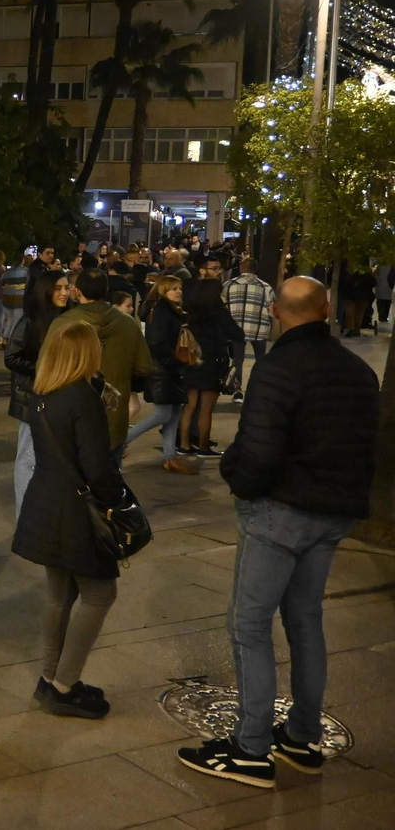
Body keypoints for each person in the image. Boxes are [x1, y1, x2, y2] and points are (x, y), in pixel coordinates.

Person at [178, 276, 380, 788]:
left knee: (249, 625)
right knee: (305, 621)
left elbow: (258, 448)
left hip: (281, 510)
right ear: (327, 308)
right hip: (332, 512)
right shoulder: (357, 371)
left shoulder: (277, 368)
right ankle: (303, 737)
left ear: (274, 311)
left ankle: (250, 749)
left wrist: (236, 479)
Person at [11, 320, 124, 720]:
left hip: (45, 502)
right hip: (76, 511)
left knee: (59, 595)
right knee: (99, 594)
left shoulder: (42, 393)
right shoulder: (81, 398)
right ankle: (64, 684)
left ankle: (51, 678)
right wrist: (121, 504)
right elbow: (97, 466)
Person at [55, 268, 153, 458]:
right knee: (111, 478)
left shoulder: (63, 324)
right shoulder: (128, 324)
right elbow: (144, 366)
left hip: (72, 414)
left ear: (78, 291)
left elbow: (47, 366)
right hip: (113, 414)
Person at [6, 271, 72, 511]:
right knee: (28, 458)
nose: (64, 293)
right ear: (45, 290)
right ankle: (24, 515)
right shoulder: (31, 320)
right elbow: (11, 357)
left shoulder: (69, 318)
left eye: (67, 287)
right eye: (58, 288)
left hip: (60, 398)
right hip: (32, 397)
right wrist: (45, 368)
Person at [124, 276, 196, 475]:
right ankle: (120, 442)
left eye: (180, 288)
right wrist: (173, 362)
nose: (179, 292)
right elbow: (156, 342)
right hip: (162, 370)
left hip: (168, 369)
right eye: (173, 289)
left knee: (174, 413)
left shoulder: (168, 309)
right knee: (163, 413)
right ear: (163, 291)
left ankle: (169, 456)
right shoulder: (162, 310)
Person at [178, 278, 244, 456]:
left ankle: (183, 445)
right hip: (213, 362)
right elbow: (238, 334)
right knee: (206, 409)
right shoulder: (220, 313)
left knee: (189, 407)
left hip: (191, 361)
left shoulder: (190, 312)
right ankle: (203, 446)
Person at [222, 258, 275, 402]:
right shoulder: (266, 287)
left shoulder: (229, 285)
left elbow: (223, 307)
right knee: (260, 360)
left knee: (237, 360)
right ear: (255, 269)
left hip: (235, 329)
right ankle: (258, 389)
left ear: (241, 268)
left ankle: (238, 391)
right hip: (259, 328)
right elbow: (271, 310)